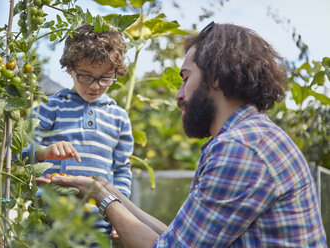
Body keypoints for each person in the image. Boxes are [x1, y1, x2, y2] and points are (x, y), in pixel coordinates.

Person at [37, 22, 328, 247]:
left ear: (216, 77)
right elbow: (176, 236)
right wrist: (105, 190)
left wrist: (101, 196)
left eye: (186, 78)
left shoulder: (240, 148)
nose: (178, 96)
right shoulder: (250, 136)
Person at [22, 24, 134, 236]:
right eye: (86, 76)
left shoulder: (119, 118)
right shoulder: (50, 107)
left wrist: (121, 214)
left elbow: (121, 171)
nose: (95, 86)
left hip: (98, 227)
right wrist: (43, 152)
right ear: (70, 68)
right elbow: (19, 151)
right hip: (51, 222)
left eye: (105, 78)